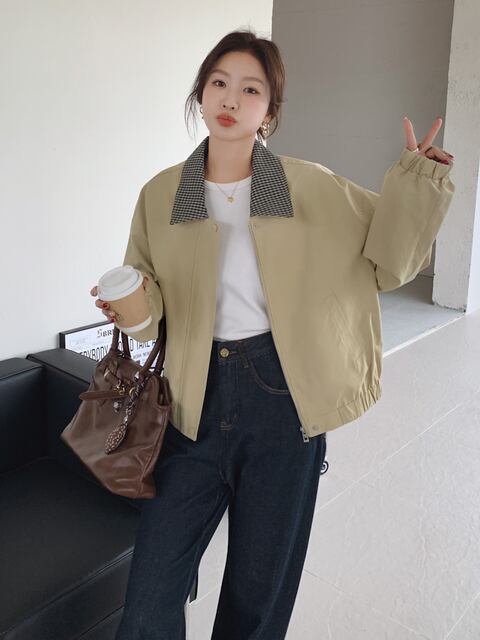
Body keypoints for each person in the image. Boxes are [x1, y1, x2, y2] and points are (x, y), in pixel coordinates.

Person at [90, 28, 455, 640]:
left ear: (270, 111)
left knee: (257, 600)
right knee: (149, 600)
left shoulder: (309, 184)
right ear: (200, 95)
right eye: (219, 83)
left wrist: (416, 181)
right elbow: (150, 310)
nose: (231, 98)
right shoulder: (161, 194)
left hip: (281, 398)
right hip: (191, 399)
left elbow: (390, 261)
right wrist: (126, 308)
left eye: (250, 89)